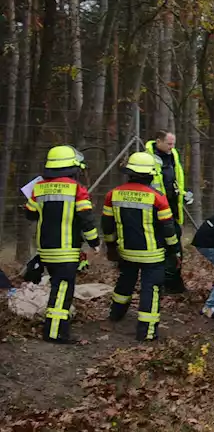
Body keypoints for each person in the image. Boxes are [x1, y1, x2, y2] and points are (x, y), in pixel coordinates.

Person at [23, 146, 100, 343]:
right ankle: (55, 332)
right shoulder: (76, 188)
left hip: (45, 248)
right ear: (71, 167)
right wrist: (94, 242)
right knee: (62, 290)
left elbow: (30, 214)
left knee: (58, 287)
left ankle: (54, 328)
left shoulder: (38, 188)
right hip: (66, 249)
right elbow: (86, 219)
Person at [103, 152, 181, 341]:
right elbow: (168, 230)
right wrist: (174, 251)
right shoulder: (157, 198)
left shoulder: (113, 194)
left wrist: (111, 247)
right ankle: (146, 332)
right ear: (151, 174)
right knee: (151, 288)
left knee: (125, 281)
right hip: (152, 255)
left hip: (126, 251)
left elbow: (107, 225)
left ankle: (116, 314)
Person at [145, 130, 190, 294]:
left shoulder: (173, 156)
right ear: (158, 141)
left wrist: (183, 195)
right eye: (169, 143)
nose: (172, 147)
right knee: (161, 249)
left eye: (174, 143)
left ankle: (174, 282)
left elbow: (174, 181)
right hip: (155, 213)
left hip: (173, 210)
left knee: (176, 246)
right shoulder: (147, 158)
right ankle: (160, 284)